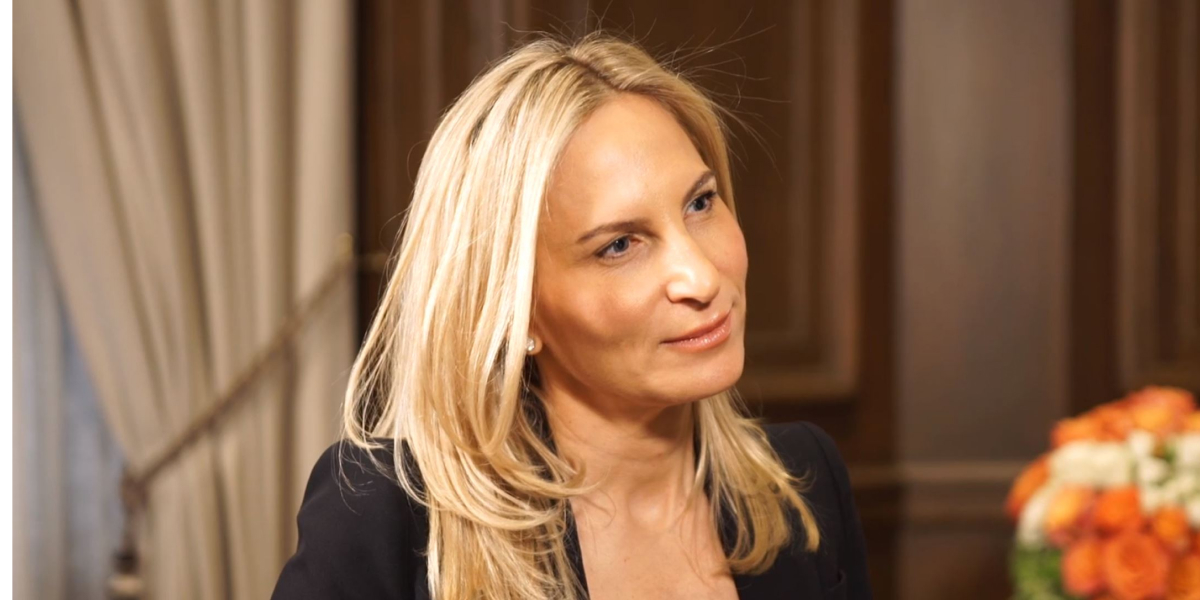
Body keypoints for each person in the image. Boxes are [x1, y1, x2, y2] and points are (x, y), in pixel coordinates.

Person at [272, 33, 871, 600]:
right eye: (620, 245)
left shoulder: (803, 482)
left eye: (700, 202)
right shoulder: (383, 515)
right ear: (517, 310)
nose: (702, 277)